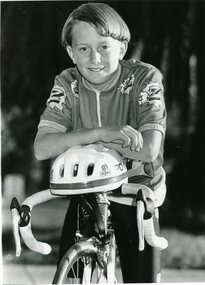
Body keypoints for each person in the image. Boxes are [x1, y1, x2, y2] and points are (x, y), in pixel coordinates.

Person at [34, 2, 167, 283]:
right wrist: (101, 133)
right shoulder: (67, 83)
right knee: (71, 275)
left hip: (137, 187)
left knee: (141, 278)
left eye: (104, 47)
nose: (95, 58)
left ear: (121, 47)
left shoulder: (145, 78)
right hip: (88, 186)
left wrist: (77, 139)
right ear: (71, 53)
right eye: (83, 49)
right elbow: (42, 147)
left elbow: (148, 149)